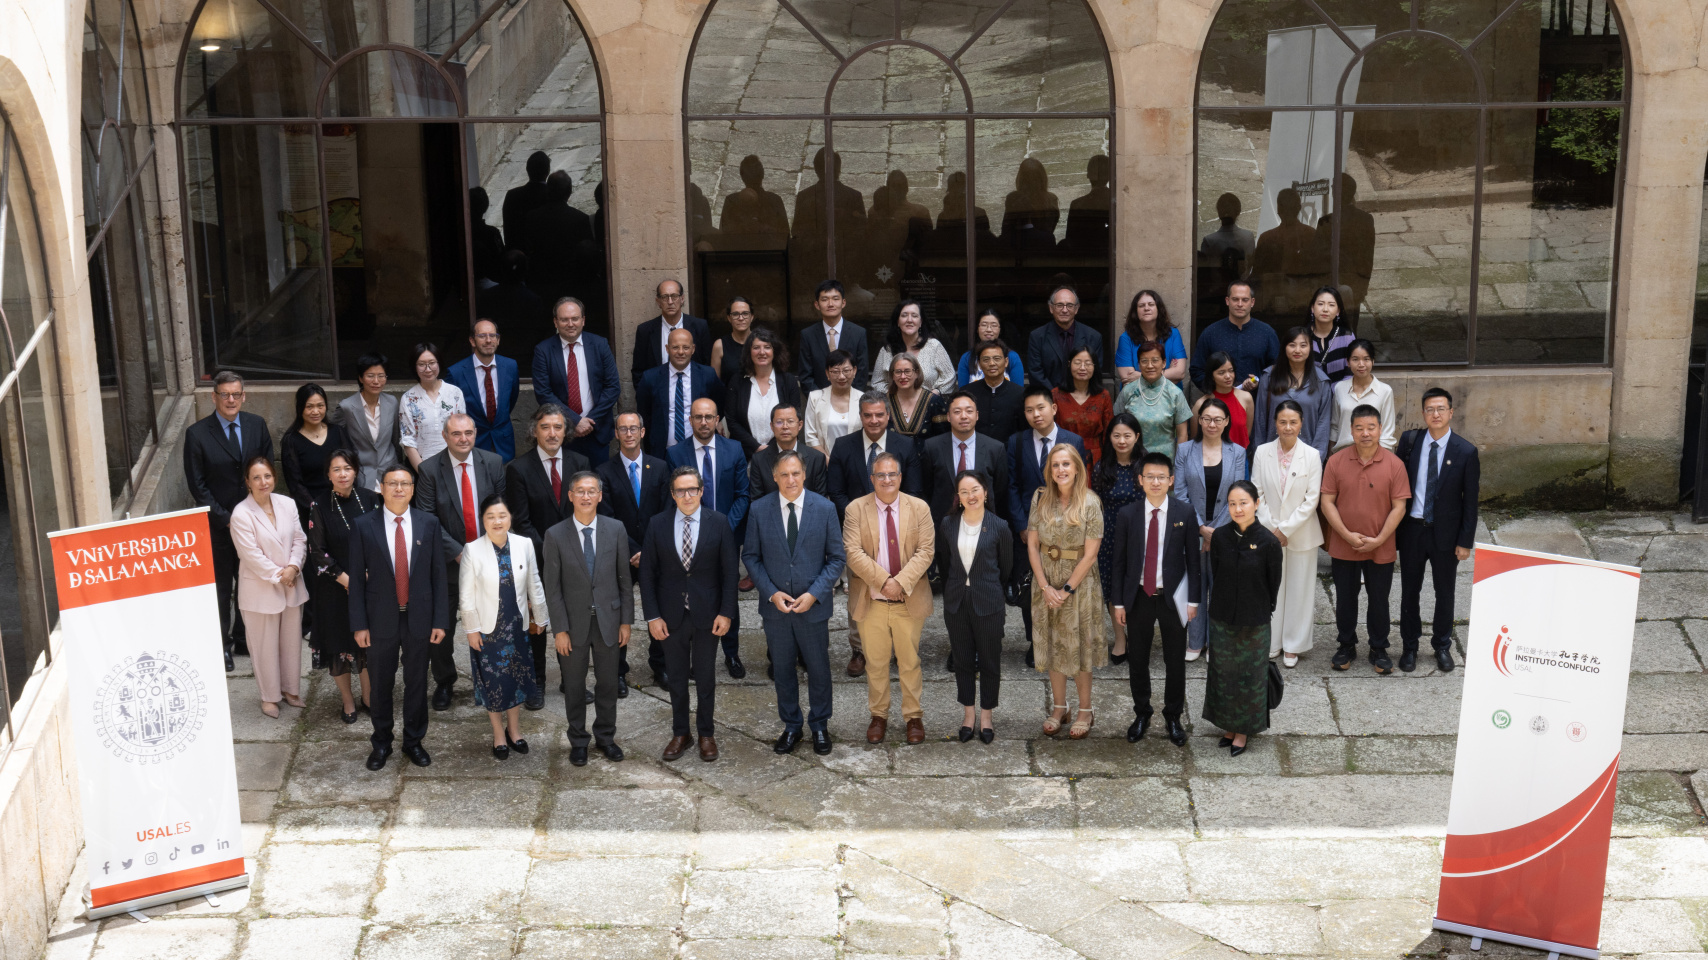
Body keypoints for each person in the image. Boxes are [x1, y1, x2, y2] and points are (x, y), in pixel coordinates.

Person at [348, 464, 450, 771]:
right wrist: (359, 624)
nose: (399, 489)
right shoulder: (363, 525)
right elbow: (356, 580)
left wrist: (440, 620)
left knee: (417, 682)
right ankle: (381, 743)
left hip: (419, 618)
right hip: (379, 619)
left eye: (405, 483)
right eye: (392, 483)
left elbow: (438, 575)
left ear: (413, 489)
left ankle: (413, 741)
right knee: (380, 684)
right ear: (381, 488)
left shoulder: (428, 523)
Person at [744, 451, 846, 756]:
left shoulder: (824, 508)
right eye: (784, 474)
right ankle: (791, 725)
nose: (791, 480)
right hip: (776, 610)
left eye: (796, 473)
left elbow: (836, 558)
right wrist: (771, 593)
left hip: (812, 607)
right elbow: (751, 557)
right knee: (783, 669)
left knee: (819, 668)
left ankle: (819, 725)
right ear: (774, 477)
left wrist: (814, 594)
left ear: (805, 474)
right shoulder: (759, 510)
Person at [639, 467, 739, 762]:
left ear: (701, 491)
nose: (687, 495)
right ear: (672, 494)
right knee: (676, 678)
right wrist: (652, 617)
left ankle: (706, 733)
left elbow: (730, 573)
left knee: (706, 678)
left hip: (709, 615)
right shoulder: (657, 524)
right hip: (670, 616)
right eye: (680, 491)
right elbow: (647, 575)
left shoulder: (718, 523)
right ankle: (681, 733)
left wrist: (726, 613)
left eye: (692, 489)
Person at [415, 413, 509, 709]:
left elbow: (501, 510)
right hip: (446, 564)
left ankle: (489, 678)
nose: (463, 439)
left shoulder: (493, 462)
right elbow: (427, 519)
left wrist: (488, 550)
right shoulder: (429, 469)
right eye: (456, 434)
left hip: (487, 560)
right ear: (445, 436)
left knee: (490, 623)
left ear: (475, 433)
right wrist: (461, 553)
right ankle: (445, 681)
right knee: (441, 629)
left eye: (468, 432)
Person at [542, 473, 634, 765]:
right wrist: (559, 629)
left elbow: (624, 579)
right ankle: (578, 740)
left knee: (608, 684)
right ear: (570, 496)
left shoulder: (616, 529)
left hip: (609, 622)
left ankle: (606, 737)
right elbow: (552, 588)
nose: (585, 496)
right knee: (574, 685)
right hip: (573, 625)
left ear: (599, 496)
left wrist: (626, 621)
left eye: (591, 491)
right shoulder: (555, 534)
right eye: (580, 491)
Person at [843, 452, 935, 744]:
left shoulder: (919, 508)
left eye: (891, 474)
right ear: (872, 479)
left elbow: (926, 552)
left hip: (908, 600)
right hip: (872, 602)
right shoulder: (855, 509)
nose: (886, 480)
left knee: (909, 662)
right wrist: (884, 582)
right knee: (876, 663)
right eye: (880, 475)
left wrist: (900, 583)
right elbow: (853, 553)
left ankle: (913, 717)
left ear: (900, 477)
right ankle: (878, 715)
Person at [1110, 453, 1201, 746]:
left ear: (1171, 480)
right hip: (1139, 595)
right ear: (1140, 480)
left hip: (1173, 597)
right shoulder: (1128, 514)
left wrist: (1194, 601)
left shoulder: (1184, 512)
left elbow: (1194, 561)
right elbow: (1118, 562)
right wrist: (1119, 603)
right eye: (1150, 476)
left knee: (1175, 661)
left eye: (1162, 477)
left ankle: (1173, 716)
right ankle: (1142, 713)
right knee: (1138, 659)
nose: (1156, 482)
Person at [184, 371, 274, 669]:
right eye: (225, 394)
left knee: (250, 581)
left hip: (254, 522)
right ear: (214, 397)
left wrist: (257, 512)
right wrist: (226, 518)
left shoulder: (256, 425)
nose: (231, 399)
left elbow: (266, 470)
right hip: (218, 526)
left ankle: (243, 638)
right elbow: (198, 485)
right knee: (222, 588)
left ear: (243, 396)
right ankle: (221, 645)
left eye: (236, 394)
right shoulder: (197, 434)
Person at [505, 403, 593, 702]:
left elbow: (586, 512)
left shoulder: (581, 463)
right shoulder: (518, 469)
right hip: (536, 559)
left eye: (558, 427)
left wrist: (571, 553)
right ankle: (537, 682)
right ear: (534, 432)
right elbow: (521, 521)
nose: (552, 433)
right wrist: (551, 553)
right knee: (537, 623)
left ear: (566, 431)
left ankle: (572, 680)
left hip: (576, 559)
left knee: (573, 622)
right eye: (545, 427)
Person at [1320, 404, 1411, 674]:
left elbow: (1399, 507)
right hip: (1343, 543)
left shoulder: (1395, 464)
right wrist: (1346, 535)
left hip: (1380, 545)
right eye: (1359, 428)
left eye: (1371, 427)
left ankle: (1379, 647)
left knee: (1379, 598)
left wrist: (1380, 539)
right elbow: (1327, 502)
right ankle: (1346, 644)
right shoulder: (1336, 461)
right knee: (1345, 597)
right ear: (1351, 430)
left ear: (1381, 429)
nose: (1366, 433)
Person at [1395, 387, 1480, 674]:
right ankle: (1409, 646)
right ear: (1423, 413)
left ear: (1451, 412)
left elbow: (1470, 502)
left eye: (1441, 409)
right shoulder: (1410, 442)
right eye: (1430, 409)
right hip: (1413, 530)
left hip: (1446, 534)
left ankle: (1442, 645)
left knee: (1445, 592)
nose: (1435, 414)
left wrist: (1465, 541)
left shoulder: (1465, 451)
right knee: (1410, 591)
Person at [459, 493, 549, 760]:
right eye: (491, 516)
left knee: (516, 679)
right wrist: (471, 630)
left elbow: (534, 582)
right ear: (482, 520)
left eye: (502, 515)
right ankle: (498, 733)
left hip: (516, 625)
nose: (497, 521)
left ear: (510, 517)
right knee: (494, 683)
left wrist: (540, 618)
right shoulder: (472, 549)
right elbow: (466, 595)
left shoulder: (524, 544)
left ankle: (514, 730)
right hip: (488, 629)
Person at [666, 398, 751, 677]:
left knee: (728, 593)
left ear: (717, 420)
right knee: (693, 595)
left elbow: (742, 495)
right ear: (690, 420)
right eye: (698, 417)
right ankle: (695, 656)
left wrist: (724, 528)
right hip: (689, 538)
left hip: (726, 535)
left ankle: (731, 653)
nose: (704, 422)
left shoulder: (734, 449)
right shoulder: (675, 453)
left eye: (709, 417)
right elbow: (674, 498)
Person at [1026, 444, 1105, 740]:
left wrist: (1066, 590)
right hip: (1045, 580)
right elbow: (1032, 545)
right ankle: (1060, 707)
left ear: (1077, 468)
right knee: (1052, 645)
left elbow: (1091, 554)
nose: (1061, 470)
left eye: (1066, 464)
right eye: (1055, 465)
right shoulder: (1040, 498)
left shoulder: (1090, 502)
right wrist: (1045, 586)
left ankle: (1085, 709)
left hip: (1079, 584)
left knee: (1079, 647)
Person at [1202, 480, 1284, 757]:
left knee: (1249, 676)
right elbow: (1216, 572)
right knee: (1223, 673)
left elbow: (1273, 583)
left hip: (1254, 619)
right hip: (1222, 616)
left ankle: (1243, 730)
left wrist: (1261, 607)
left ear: (1256, 504)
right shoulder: (1220, 537)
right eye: (1232, 504)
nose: (1238, 509)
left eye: (1244, 503)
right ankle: (1227, 725)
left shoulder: (1269, 542)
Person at [1008, 384, 1088, 662]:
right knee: (1032, 586)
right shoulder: (1016, 442)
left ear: (1053, 408)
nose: (1036, 414)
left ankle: (1064, 639)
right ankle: (1035, 642)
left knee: (1063, 581)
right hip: (1029, 529)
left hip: (1066, 529)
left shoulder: (1073, 441)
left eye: (1040, 408)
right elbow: (1012, 487)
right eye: (1029, 410)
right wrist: (1022, 525)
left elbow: (1080, 485)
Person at [595, 411, 670, 688]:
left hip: (656, 554)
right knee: (617, 613)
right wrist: (632, 550)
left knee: (660, 608)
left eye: (633, 428)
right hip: (619, 555)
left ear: (642, 432)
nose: (629, 433)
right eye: (623, 429)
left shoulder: (660, 467)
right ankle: (617, 671)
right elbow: (607, 517)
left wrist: (649, 551)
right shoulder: (603, 472)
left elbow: (666, 512)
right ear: (616, 434)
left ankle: (661, 666)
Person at [229, 456, 309, 718]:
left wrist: (294, 567)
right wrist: (280, 575)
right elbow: (250, 555)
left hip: (291, 583)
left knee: (290, 643)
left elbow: (299, 539)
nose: (263, 482)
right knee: (264, 647)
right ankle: (269, 697)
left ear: (274, 477)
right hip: (260, 590)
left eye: (267, 476)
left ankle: (291, 690)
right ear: (247, 482)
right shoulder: (241, 514)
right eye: (256, 477)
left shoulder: (287, 503)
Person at [938, 469, 1012, 744]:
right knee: (962, 660)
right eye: (964, 492)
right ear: (958, 497)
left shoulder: (999, 526)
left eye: (975, 490)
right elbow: (944, 562)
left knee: (990, 661)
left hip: (989, 603)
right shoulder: (948, 524)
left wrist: (987, 587)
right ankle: (968, 715)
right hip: (956, 603)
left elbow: (1006, 567)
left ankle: (987, 716)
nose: (970, 496)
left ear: (985, 492)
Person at [1251, 400, 1323, 668]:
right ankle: (1271, 642)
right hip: (1268, 531)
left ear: (1301, 424)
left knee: (1299, 590)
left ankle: (1293, 644)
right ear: (1275, 424)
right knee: (1271, 588)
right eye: (1283, 422)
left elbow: (1311, 499)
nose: (1288, 427)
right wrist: (1272, 528)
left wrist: (1286, 529)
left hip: (1302, 533)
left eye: (1293, 422)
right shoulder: (1262, 452)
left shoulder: (1312, 455)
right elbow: (1256, 492)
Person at [307, 449, 378, 723]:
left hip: (369, 585)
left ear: (356, 471)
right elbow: (317, 552)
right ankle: (347, 700)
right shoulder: (319, 505)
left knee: (367, 645)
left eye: (347, 468)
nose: (342, 474)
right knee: (339, 645)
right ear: (328, 474)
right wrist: (347, 580)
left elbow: (381, 540)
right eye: (336, 469)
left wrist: (368, 575)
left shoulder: (371, 500)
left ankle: (368, 697)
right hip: (334, 587)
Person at [1174, 398, 1247, 661]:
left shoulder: (1237, 452)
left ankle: (1216, 642)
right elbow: (1180, 493)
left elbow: (1237, 495)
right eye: (1206, 418)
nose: (1212, 424)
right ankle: (1195, 641)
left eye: (1217, 419)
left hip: (1224, 533)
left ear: (1227, 422)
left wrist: (1214, 533)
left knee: (1221, 589)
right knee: (1194, 584)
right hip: (1192, 531)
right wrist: (1201, 528)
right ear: (1199, 421)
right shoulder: (1185, 450)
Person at [530, 297, 621, 467]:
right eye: (564, 319)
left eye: (575, 318)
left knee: (597, 480)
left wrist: (589, 421)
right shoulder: (543, 350)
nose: (570, 324)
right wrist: (575, 420)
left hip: (596, 432)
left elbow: (613, 387)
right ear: (555, 322)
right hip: (562, 433)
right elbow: (544, 393)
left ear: (583, 320)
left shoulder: (599, 344)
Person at [1093, 414, 1144, 664]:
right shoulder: (1102, 467)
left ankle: (1139, 636)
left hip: (1141, 534)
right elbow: (1096, 505)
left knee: (1139, 586)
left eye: (1127, 435)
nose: (1122, 441)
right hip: (1110, 536)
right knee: (1114, 589)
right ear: (1109, 438)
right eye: (1116, 435)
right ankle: (1120, 639)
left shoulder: (1146, 467)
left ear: (1137, 437)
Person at [635, 326, 727, 459]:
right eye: (675, 347)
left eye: (686, 347)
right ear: (667, 349)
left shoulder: (707, 375)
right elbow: (644, 414)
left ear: (693, 349)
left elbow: (720, 405)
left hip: (700, 449)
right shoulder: (650, 378)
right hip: (663, 452)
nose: (681, 352)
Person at [922, 391, 1010, 527]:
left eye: (969, 411)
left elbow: (1000, 489)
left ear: (977, 415)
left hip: (983, 524)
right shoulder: (932, 447)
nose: (964, 416)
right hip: (943, 524)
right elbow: (927, 488)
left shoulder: (995, 448)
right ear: (948, 417)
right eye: (957, 412)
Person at [1249, 327, 1334, 461]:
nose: (1297, 350)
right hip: (1272, 455)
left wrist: (1316, 458)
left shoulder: (1321, 381)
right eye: (1292, 345)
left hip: (1307, 456)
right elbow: (1260, 419)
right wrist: (1260, 453)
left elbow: (1323, 424)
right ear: (1284, 347)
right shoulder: (1269, 377)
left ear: (1310, 348)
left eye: (1303, 345)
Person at [446, 319, 521, 461]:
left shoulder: (510, 366)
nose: (488, 340)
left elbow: (511, 399)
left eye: (492, 335)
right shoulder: (456, 373)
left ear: (498, 340)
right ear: (472, 341)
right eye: (482, 336)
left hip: (504, 443)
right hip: (473, 444)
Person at [724, 327, 804, 457]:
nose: (762, 352)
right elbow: (732, 421)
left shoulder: (788, 381)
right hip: (745, 454)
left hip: (782, 454)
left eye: (767, 347)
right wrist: (756, 447)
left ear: (774, 351)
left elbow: (794, 419)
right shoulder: (737, 381)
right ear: (749, 352)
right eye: (756, 347)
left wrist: (772, 448)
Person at [1190, 281, 1280, 391]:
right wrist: (1216, 389)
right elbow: (1196, 370)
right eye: (1235, 299)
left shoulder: (1267, 333)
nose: (1240, 304)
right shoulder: (1210, 333)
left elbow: (1277, 369)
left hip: (1257, 399)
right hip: (1220, 400)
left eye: (1245, 300)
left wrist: (1259, 383)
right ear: (1227, 301)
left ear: (1252, 302)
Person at [281, 383, 348, 530]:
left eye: (320, 406)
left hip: (343, 503)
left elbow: (351, 466)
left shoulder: (337, 432)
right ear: (300, 408)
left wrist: (345, 496)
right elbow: (295, 484)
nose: (315, 411)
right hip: (311, 510)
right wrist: (315, 507)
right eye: (309, 406)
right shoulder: (291, 441)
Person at [333, 355, 402, 493]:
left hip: (390, 473)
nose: (376, 381)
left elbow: (395, 440)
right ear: (360, 378)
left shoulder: (392, 402)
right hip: (361, 475)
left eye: (381, 376)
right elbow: (335, 440)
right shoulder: (346, 407)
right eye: (370, 376)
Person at [1113, 341, 1193, 459]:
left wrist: (1179, 465)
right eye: (1144, 361)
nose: (1150, 366)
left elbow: (1182, 435)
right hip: (1133, 460)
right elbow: (1116, 426)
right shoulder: (1128, 391)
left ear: (1164, 363)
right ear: (1139, 364)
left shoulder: (1175, 393)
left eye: (1155, 360)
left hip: (1165, 461)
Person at [398, 342, 467, 469]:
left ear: (439, 363)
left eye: (432, 363)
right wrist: (424, 472)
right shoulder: (408, 398)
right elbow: (408, 440)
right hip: (422, 467)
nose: (428, 369)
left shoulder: (455, 393)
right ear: (414, 367)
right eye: (421, 364)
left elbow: (463, 431)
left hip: (454, 464)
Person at [632, 279, 713, 382]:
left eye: (674, 296)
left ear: (682, 299)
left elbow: (707, 365)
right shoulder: (645, 331)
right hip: (657, 390)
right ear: (658, 301)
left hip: (693, 390)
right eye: (665, 297)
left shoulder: (699, 327)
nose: (670, 302)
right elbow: (638, 372)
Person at [796, 281, 871, 391]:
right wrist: (820, 398)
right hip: (819, 398)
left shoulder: (858, 333)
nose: (830, 304)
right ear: (817, 305)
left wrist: (850, 397)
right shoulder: (808, 335)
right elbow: (805, 375)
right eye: (824, 299)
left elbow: (862, 373)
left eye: (835, 299)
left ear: (843, 303)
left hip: (851, 398)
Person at [871, 300, 956, 396]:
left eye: (914, 316)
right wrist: (894, 396)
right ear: (898, 321)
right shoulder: (887, 350)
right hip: (895, 404)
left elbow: (950, 377)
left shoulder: (934, 346)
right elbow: (877, 382)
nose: (909, 320)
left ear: (920, 322)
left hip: (929, 403)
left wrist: (933, 395)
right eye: (904, 315)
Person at [1027, 284, 1103, 390]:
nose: (1064, 310)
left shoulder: (1093, 337)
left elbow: (1095, 371)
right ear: (1051, 308)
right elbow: (1035, 373)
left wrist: (1076, 396)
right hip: (1048, 396)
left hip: (1082, 395)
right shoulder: (1037, 337)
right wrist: (1055, 396)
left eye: (1070, 305)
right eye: (1059, 305)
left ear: (1076, 309)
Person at [749, 403, 829, 498]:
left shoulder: (816, 458)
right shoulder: (759, 460)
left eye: (790, 421)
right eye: (779, 422)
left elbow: (821, 499)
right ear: (772, 426)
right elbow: (756, 500)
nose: (785, 426)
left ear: (800, 425)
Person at [1330, 339, 1396, 452]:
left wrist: (1380, 459)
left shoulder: (1385, 391)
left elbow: (1387, 433)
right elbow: (1335, 427)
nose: (1361, 364)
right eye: (1355, 359)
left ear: (1373, 361)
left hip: (1373, 454)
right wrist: (1330, 455)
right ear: (1348, 362)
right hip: (1344, 453)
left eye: (1366, 359)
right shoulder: (1340, 388)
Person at [1053, 348, 1113, 468]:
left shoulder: (1103, 396)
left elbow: (1109, 432)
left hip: (1095, 459)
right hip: (1064, 456)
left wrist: (1108, 463)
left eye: (1088, 363)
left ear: (1095, 366)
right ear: (1069, 364)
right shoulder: (1056, 395)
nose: (1082, 368)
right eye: (1077, 362)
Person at [1114, 290, 1186, 385]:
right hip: (1137, 393)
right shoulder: (1126, 339)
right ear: (1135, 311)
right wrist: (1167, 374)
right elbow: (1128, 379)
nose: (1146, 308)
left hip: (1170, 393)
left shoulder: (1173, 334)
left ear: (1158, 308)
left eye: (1151, 304)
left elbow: (1179, 373)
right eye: (1141, 306)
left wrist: (1140, 376)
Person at [802, 349, 864, 456]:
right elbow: (810, 437)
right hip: (824, 460)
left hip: (855, 459)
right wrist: (827, 460)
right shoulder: (815, 398)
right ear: (827, 373)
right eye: (835, 371)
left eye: (846, 371)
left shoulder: (863, 399)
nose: (841, 376)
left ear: (854, 371)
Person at [965, 339, 1025, 440]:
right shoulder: (968, 393)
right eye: (986, 360)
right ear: (979, 364)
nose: (992, 363)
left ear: (1006, 362)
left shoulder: (1020, 394)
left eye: (997, 358)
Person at [1002, 157, 1060, 261]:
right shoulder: (1051, 200)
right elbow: (1050, 230)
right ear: (1042, 178)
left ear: (1020, 178)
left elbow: (1006, 229)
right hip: (1043, 251)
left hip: (1017, 253)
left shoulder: (1013, 199)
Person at [882, 353, 949, 443]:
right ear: (892, 375)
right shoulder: (883, 402)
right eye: (898, 372)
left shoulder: (934, 401)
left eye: (907, 371)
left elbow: (943, 439)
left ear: (916, 373)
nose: (903, 376)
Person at [1191, 351, 1252, 448]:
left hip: (1239, 455)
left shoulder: (1246, 398)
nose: (1228, 376)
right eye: (1221, 372)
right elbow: (1195, 439)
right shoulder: (1201, 404)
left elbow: (1246, 433)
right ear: (1212, 376)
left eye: (1231, 371)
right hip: (1210, 455)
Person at [955, 309, 1024, 386]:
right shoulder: (967, 358)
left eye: (994, 325)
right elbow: (963, 391)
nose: (989, 329)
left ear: (1000, 330)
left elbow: (1018, 390)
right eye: (984, 325)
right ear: (977, 329)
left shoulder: (1012, 357)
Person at [1306, 286, 1357, 384]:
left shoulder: (1347, 336)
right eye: (1320, 304)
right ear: (1312, 308)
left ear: (1338, 311)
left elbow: (1351, 371)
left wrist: (1338, 390)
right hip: (1308, 392)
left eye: (1331, 305)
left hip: (1341, 391)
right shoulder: (1302, 335)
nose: (1325, 309)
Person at [502, 150, 552, 249]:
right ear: (547, 172)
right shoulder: (552, 196)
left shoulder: (512, 196)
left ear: (527, 170)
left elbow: (508, 231)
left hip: (518, 252)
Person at [710, 295, 757, 385]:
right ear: (729, 318)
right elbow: (715, 384)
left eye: (745, 313)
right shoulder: (720, 345)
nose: (741, 318)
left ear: (752, 317)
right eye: (735, 314)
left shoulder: (761, 343)